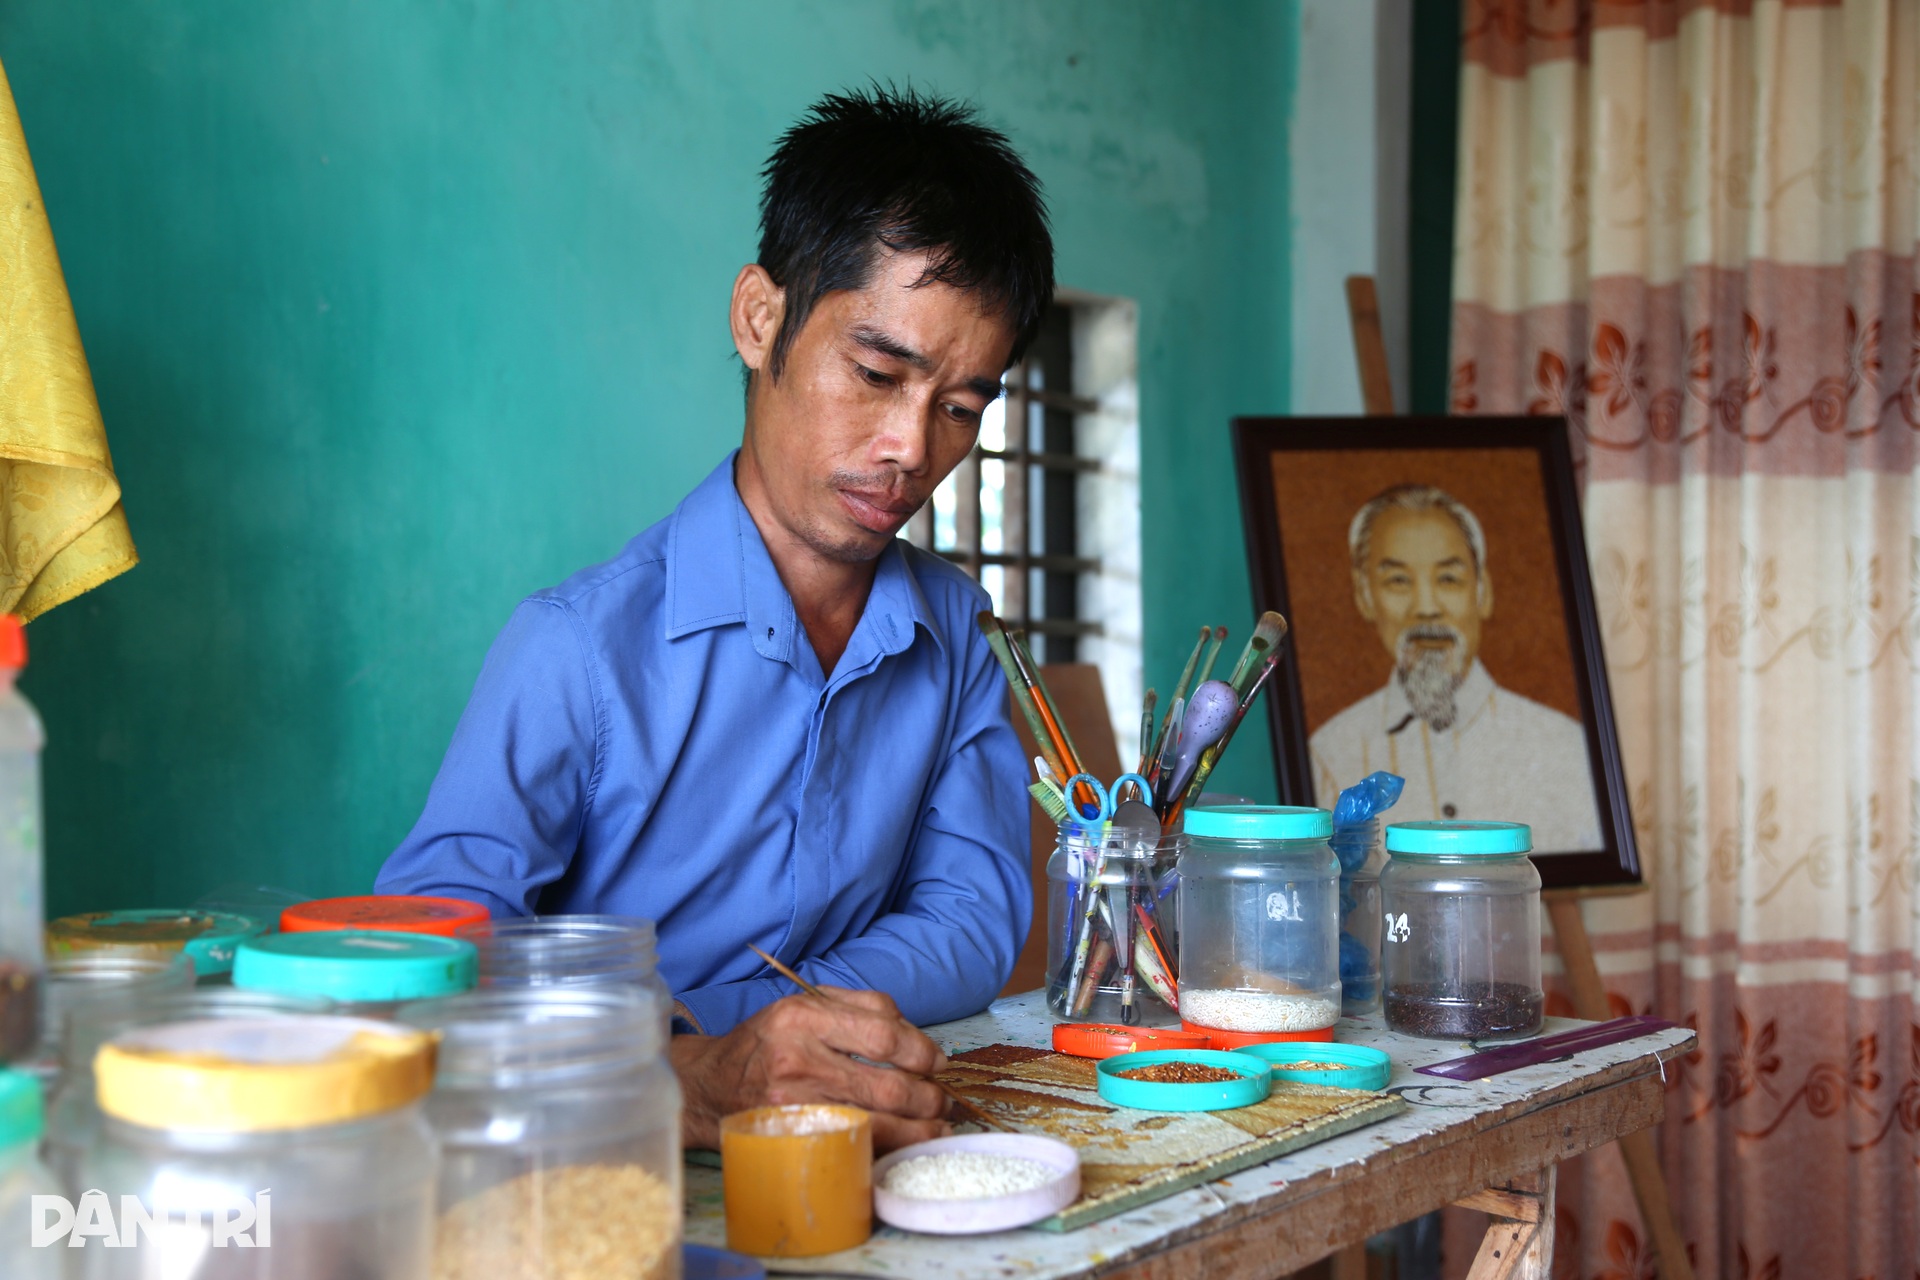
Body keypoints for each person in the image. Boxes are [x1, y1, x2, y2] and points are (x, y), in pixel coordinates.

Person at [376, 87, 1052, 1151]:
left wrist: (772, 1028)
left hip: (852, 1138)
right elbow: (424, 968)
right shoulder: (579, 647)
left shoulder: (959, 631)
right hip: (603, 1165)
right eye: (877, 373)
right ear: (760, 317)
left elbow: (973, 923)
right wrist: (689, 1063)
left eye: (961, 406)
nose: (911, 447)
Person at [1308, 483, 1603, 852]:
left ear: (1483, 591)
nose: (1427, 607)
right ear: (1365, 596)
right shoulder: (1327, 753)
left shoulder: (1563, 745)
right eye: (1398, 581)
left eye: (1448, 578)